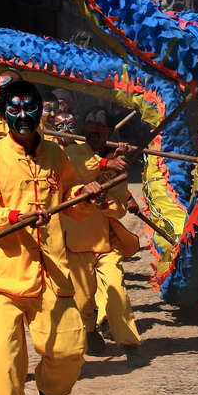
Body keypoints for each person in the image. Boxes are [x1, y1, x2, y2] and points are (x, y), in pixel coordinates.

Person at [0, 80, 104, 395]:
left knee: (69, 352)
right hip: (3, 274)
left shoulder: (56, 155)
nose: (23, 115)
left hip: (51, 272)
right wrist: (16, 217)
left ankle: (49, 391)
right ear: (3, 114)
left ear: (41, 110)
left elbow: (68, 198)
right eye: (14, 109)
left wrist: (84, 196)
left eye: (30, 107)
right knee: (5, 366)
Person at [61, 106, 146, 368]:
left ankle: (130, 344)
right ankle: (88, 331)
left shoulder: (118, 164)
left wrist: (105, 201)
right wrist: (106, 164)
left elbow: (120, 206)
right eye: (88, 123)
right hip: (75, 243)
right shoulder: (71, 153)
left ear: (109, 131)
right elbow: (79, 171)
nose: (93, 129)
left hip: (106, 243)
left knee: (117, 292)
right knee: (83, 299)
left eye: (100, 125)